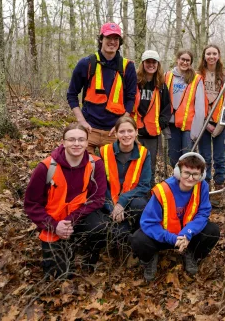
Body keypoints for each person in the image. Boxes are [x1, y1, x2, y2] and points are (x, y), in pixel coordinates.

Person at [24, 123, 108, 278]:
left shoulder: (96, 164)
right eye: (72, 139)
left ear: (87, 142)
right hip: (53, 220)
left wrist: (70, 221)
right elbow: (31, 204)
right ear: (63, 142)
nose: (77, 143)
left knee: (100, 227)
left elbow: (98, 199)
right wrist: (54, 226)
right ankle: (64, 246)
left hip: (79, 216)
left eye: (81, 140)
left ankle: (88, 253)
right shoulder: (46, 167)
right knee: (58, 276)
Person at [130, 153, 220, 281]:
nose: (190, 178)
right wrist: (172, 238)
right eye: (186, 173)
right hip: (163, 237)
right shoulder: (162, 190)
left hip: (187, 237)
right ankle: (150, 259)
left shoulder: (202, 187)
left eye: (195, 174)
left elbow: (203, 214)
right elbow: (148, 223)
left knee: (212, 231)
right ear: (178, 172)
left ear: (202, 175)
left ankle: (192, 254)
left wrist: (187, 233)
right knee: (138, 239)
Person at [67, 22, 138, 154]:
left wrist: (120, 126)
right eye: (108, 38)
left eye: (116, 39)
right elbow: (71, 95)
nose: (112, 42)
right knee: (83, 169)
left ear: (120, 42)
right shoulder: (86, 63)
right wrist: (81, 121)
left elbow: (130, 98)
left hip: (113, 131)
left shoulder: (128, 66)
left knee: (112, 172)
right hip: (89, 129)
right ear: (101, 39)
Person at [100, 116, 151, 244]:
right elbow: (101, 185)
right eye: (122, 131)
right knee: (118, 234)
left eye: (130, 131)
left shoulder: (144, 153)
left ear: (136, 132)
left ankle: (138, 237)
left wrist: (122, 202)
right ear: (116, 134)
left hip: (133, 199)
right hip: (109, 200)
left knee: (140, 205)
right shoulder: (104, 152)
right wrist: (112, 207)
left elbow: (144, 186)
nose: (126, 135)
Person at [132, 49, 172, 185]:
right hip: (134, 132)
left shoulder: (161, 85)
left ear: (158, 64)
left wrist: (161, 123)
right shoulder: (135, 82)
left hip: (153, 133)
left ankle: (148, 192)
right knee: (133, 163)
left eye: (154, 62)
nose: (151, 65)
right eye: (148, 62)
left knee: (150, 165)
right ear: (143, 63)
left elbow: (167, 108)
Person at [197, 44, 225, 191]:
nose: (211, 56)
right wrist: (204, 121)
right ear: (204, 56)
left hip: (220, 121)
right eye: (208, 53)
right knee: (204, 157)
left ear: (219, 55)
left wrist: (220, 125)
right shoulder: (198, 74)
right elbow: (194, 100)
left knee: (219, 158)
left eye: (214, 53)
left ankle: (218, 187)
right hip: (202, 121)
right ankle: (205, 186)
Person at [165, 49, 206, 167]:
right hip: (171, 125)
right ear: (177, 60)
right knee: (173, 159)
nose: (185, 62)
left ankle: (188, 184)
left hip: (189, 126)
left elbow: (200, 107)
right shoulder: (167, 76)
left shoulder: (196, 79)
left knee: (187, 159)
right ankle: (175, 184)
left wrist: (196, 131)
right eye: (183, 59)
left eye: (188, 60)